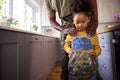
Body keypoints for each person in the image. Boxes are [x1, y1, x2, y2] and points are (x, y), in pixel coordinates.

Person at [45, 0, 99, 80]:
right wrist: (63, 29)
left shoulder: (87, 22)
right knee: (67, 61)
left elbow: (92, 1)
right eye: (77, 23)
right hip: (66, 27)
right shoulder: (48, 1)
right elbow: (51, 20)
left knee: (90, 59)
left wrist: (94, 21)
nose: (79, 25)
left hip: (86, 23)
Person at [64, 1, 101, 80]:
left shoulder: (92, 34)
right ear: (73, 21)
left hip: (89, 69)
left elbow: (98, 49)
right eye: (77, 22)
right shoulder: (71, 34)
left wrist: (95, 52)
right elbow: (66, 45)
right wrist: (69, 50)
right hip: (74, 69)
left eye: (83, 22)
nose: (80, 25)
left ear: (88, 20)